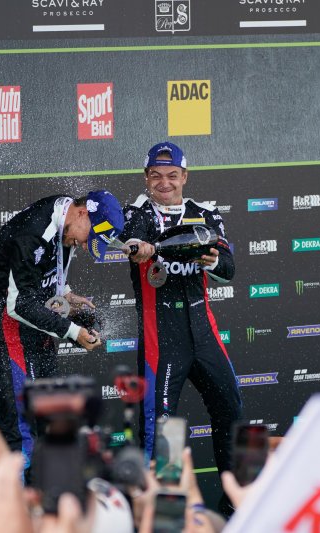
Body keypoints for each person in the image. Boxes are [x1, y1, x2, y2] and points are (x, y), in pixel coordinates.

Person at [119, 142, 242, 477]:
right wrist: (140, 248)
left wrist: (212, 260)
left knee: (230, 408)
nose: (165, 183)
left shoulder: (205, 213)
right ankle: (166, 502)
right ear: (146, 177)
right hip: (162, 338)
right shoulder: (137, 212)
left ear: (184, 176)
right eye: (156, 176)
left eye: (172, 175)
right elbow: (132, 241)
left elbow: (228, 269)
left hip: (203, 332)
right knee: (163, 427)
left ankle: (235, 498)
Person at [0, 189, 124, 466]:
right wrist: (73, 332)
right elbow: (18, 305)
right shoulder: (33, 232)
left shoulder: (66, 216)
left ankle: (48, 494)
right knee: (22, 433)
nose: (86, 246)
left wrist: (66, 293)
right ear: (82, 213)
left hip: (38, 329)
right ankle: (19, 495)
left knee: (51, 425)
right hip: (8, 333)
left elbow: (48, 264)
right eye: (89, 238)